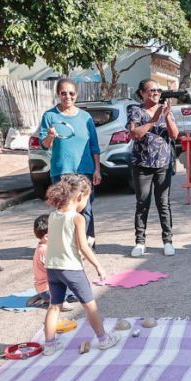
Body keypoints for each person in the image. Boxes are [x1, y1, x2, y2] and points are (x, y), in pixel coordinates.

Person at [40, 176, 118, 355]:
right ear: (79, 196)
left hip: (52, 268)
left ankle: (49, 345)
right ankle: (104, 339)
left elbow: (62, 240)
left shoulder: (53, 215)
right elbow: (83, 247)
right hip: (71, 268)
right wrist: (98, 266)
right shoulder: (77, 218)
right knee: (90, 305)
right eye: (87, 199)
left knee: (54, 306)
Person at [38, 77, 101, 242]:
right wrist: (50, 136)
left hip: (85, 171)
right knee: (64, 211)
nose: (68, 97)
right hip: (61, 171)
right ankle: (67, 245)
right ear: (58, 94)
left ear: (76, 94)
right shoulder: (50, 116)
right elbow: (44, 145)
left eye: (71, 93)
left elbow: (94, 146)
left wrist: (97, 169)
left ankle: (86, 244)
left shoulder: (86, 117)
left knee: (85, 209)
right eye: (64, 93)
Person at [126, 80, 177, 258]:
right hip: (142, 164)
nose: (155, 93)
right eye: (151, 90)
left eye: (158, 90)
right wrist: (153, 120)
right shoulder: (135, 111)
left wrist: (166, 116)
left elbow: (174, 135)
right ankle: (140, 242)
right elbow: (135, 134)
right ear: (142, 93)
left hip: (163, 164)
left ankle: (168, 241)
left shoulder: (165, 110)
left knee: (163, 203)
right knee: (142, 202)